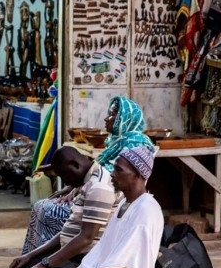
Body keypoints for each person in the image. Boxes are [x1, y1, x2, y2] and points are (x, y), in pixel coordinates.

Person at [18, 146, 163, 268]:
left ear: (138, 175)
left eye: (119, 170)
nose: (112, 174)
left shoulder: (146, 210)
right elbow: (100, 253)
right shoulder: (125, 205)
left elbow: (115, 264)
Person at [20, 95, 153, 255]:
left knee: (46, 210)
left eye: (112, 115)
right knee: (42, 205)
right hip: (100, 196)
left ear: (124, 119)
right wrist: (73, 188)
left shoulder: (135, 144)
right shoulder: (116, 141)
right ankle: (33, 257)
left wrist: (78, 191)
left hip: (112, 202)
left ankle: (50, 257)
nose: (106, 118)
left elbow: (112, 180)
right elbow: (97, 172)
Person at [0, 146, 120, 268]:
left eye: (64, 175)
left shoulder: (99, 187)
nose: (66, 182)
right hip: (70, 252)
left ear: (75, 165)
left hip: (84, 260)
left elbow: (86, 238)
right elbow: (67, 231)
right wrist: (31, 255)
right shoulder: (86, 181)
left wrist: (45, 264)